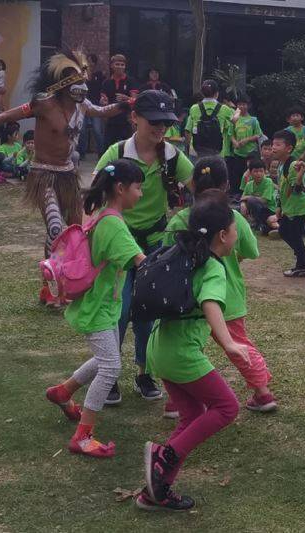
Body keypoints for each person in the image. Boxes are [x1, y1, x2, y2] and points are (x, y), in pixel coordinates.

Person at [0, 49, 130, 304]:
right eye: (76, 81)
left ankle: (70, 280)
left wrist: (129, 104)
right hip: (43, 174)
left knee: (76, 231)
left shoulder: (83, 106)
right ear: (63, 84)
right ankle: (50, 286)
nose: (81, 86)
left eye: (83, 80)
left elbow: (104, 111)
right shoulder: (44, 104)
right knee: (55, 228)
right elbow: (4, 116)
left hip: (68, 176)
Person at [140, 190, 247, 512]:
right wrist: (228, 342)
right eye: (235, 228)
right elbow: (210, 302)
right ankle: (164, 456)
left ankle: (156, 492)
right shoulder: (213, 268)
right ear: (223, 235)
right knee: (227, 407)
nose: (237, 234)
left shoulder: (182, 254)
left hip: (158, 349)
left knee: (192, 415)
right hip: (182, 354)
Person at [94, 89, 194, 403]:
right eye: (154, 121)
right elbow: (94, 193)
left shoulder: (172, 156)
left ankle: (144, 372)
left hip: (156, 244)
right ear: (134, 118)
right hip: (121, 246)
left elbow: (199, 188)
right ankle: (109, 376)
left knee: (150, 309)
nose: (161, 128)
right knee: (119, 310)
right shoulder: (117, 153)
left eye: (166, 122)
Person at [45, 159, 146, 458]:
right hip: (98, 307)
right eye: (138, 187)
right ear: (120, 188)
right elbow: (141, 261)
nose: (140, 194)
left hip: (102, 304)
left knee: (106, 358)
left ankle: (63, 391)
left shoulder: (105, 215)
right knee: (112, 366)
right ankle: (83, 436)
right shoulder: (114, 224)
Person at [163, 156, 277, 415]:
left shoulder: (181, 219)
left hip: (187, 298)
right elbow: (252, 250)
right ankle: (262, 393)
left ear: (193, 184)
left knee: (184, 347)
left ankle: (176, 402)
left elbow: (166, 255)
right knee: (238, 344)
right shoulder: (232, 216)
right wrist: (233, 258)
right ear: (227, 185)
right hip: (227, 297)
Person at [272, 129, 305, 277]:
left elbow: (297, 189)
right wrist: (278, 206)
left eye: (278, 144)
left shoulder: (293, 164)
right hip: (289, 207)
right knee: (284, 231)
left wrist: (300, 175)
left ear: (289, 148)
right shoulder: (280, 165)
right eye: (273, 144)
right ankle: (303, 255)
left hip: (299, 207)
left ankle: (302, 265)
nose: (273, 147)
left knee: (294, 234)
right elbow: (281, 188)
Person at [185, 79, 235, 159]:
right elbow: (234, 120)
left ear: (202, 93)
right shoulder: (224, 109)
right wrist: (237, 110)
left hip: (196, 152)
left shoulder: (194, 108)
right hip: (217, 152)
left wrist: (188, 148)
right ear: (216, 94)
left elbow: (187, 131)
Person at [100, 54, 138, 147]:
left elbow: (136, 100)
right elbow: (104, 101)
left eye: (122, 64)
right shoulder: (106, 82)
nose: (120, 67)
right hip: (111, 120)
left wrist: (127, 98)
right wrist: (103, 102)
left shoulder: (130, 81)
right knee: (107, 147)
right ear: (112, 66)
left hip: (127, 120)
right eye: (117, 64)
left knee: (128, 147)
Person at [228, 95, 262, 195]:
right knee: (236, 174)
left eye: (244, 104)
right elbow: (231, 134)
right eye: (239, 105)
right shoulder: (235, 119)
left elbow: (258, 134)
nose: (241, 107)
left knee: (249, 174)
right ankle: (236, 194)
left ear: (248, 106)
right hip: (238, 153)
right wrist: (234, 142)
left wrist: (247, 140)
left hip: (251, 153)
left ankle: (248, 193)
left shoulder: (253, 120)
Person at [240, 159, 278, 235]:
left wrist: (249, 197)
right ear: (250, 173)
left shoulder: (268, 181)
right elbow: (242, 198)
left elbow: (264, 200)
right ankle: (262, 226)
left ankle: (263, 225)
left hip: (269, 210)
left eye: (261, 171)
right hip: (258, 210)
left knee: (251, 200)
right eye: (256, 171)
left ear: (264, 172)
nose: (258, 174)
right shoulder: (249, 184)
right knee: (237, 209)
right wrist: (243, 204)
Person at [78, 53, 106, 155]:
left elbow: (101, 88)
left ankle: (101, 153)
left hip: (95, 105)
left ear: (94, 63)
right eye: (86, 61)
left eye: (90, 61)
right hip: (82, 104)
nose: (88, 63)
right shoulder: (81, 74)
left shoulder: (99, 75)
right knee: (82, 130)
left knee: (97, 130)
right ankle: (81, 153)